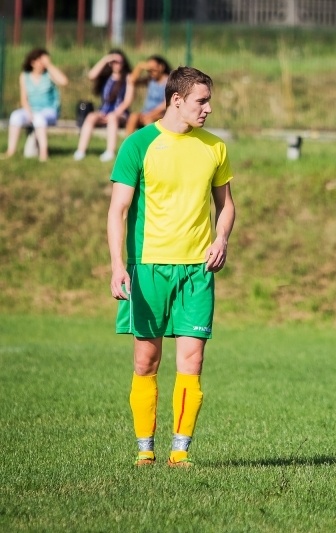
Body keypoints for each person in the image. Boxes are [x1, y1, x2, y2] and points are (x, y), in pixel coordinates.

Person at [107, 66, 235, 467]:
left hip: (197, 271)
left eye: (209, 100)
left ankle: (180, 452)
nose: (208, 109)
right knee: (146, 360)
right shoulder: (138, 144)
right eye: (201, 100)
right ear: (176, 100)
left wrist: (221, 238)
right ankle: (145, 450)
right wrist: (117, 265)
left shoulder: (215, 148)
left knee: (192, 360)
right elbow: (119, 210)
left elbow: (226, 205)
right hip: (147, 268)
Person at [3, 48, 68, 161]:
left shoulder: (49, 74)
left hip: (49, 111)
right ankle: (10, 151)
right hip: (31, 109)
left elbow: (64, 81)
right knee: (15, 116)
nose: (43, 63)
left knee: (39, 118)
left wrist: (49, 65)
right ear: (32, 62)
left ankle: (44, 154)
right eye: (41, 61)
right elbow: (24, 98)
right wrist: (29, 112)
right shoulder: (24, 76)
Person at [74, 49, 134, 162]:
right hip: (104, 110)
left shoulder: (128, 78)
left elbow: (127, 101)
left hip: (120, 113)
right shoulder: (106, 77)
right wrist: (106, 59)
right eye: (114, 62)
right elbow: (91, 75)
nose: (117, 65)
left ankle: (110, 151)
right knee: (91, 116)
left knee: (112, 118)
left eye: (119, 62)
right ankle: (81, 150)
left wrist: (116, 113)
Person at [125, 55, 171, 136]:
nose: (151, 72)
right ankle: (128, 143)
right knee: (133, 116)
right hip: (146, 112)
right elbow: (132, 80)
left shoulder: (168, 82)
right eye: (149, 70)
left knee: (149, 120)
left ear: (161, 67)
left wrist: (150, 114)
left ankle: (150, 144)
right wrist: (140, 67)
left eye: (153, 70)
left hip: (161, 115)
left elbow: (166, 104)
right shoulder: (150, 80)